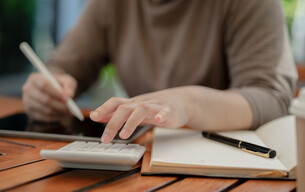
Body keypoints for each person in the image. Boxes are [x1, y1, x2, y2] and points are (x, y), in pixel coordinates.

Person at [22, 0, 297, 143]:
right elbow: (65, 66)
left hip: (231, 180)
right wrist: (51, 88)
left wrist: (187, 104)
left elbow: (272, 97)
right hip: (141, 165)